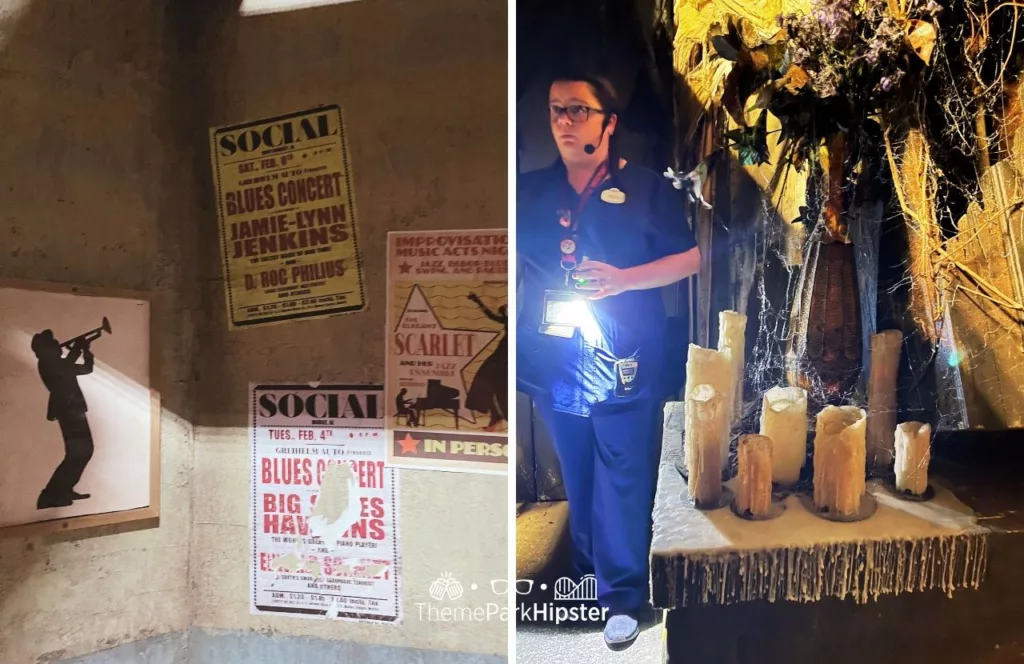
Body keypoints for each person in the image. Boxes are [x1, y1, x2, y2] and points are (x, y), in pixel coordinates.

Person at [516, 68, 701, 650]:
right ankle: (590, 577)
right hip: (554, 355)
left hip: (626, 350)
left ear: (609, 122)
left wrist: (624, 280)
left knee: (623, 471)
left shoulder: (647, 188)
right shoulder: (527, 191)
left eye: (578, 109)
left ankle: (622, 595)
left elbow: (693, 257)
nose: (565, 121)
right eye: (555, 110)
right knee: (579, 473)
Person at [31, 330, 97, 509]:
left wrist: (85, 350)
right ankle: (50, 495)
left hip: (72, 409)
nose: (57, 344)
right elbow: (70, 367)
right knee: (78, 452)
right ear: (45, 350)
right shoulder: (48, 363)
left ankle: (63, 490)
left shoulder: (54, 362)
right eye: (53, 344)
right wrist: (79, 348)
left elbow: (85, 368)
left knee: (82, 451)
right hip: (68, 410)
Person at [465, 292, 508, 431]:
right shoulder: (509, 319)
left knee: (500, 387)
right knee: (484, 382)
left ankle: (499, 418)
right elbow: (492, 316)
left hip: (507, 355)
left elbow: (494, 316)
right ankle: (495, 418)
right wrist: (478, 301)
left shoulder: (517, 319)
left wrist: (478, 301)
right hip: (501, 353)